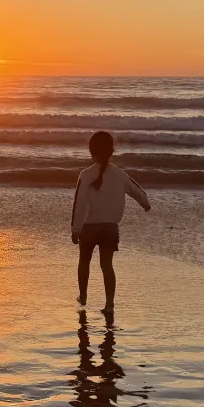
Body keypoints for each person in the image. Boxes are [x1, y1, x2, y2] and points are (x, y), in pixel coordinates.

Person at [70, 131, 151, 311]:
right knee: (107, 265)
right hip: (110, 228)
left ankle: (83, 297)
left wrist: (76, 230)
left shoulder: (85, 174)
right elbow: (136, 191)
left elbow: (79, 203)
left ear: (91, 151)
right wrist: (145, 204)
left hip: (89, 228)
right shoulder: (120, 174)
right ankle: (109, 304)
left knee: (84, 262)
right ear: (112, 151)